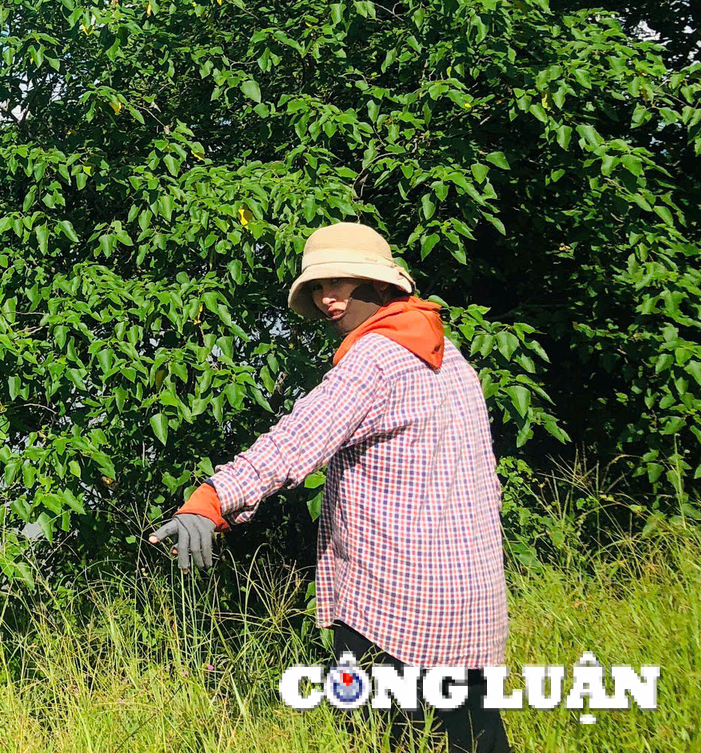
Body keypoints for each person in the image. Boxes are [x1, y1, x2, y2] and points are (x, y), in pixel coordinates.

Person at [148, 222, 511, 753]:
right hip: (469, 599)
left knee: (383, 738)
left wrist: (211, 500)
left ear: (382, 287)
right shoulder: (448, 355)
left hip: (393, 604)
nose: (327, 298)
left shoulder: (372, 361)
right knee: (475, 739)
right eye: (318, 286)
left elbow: (293, 443)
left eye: (341, 281)